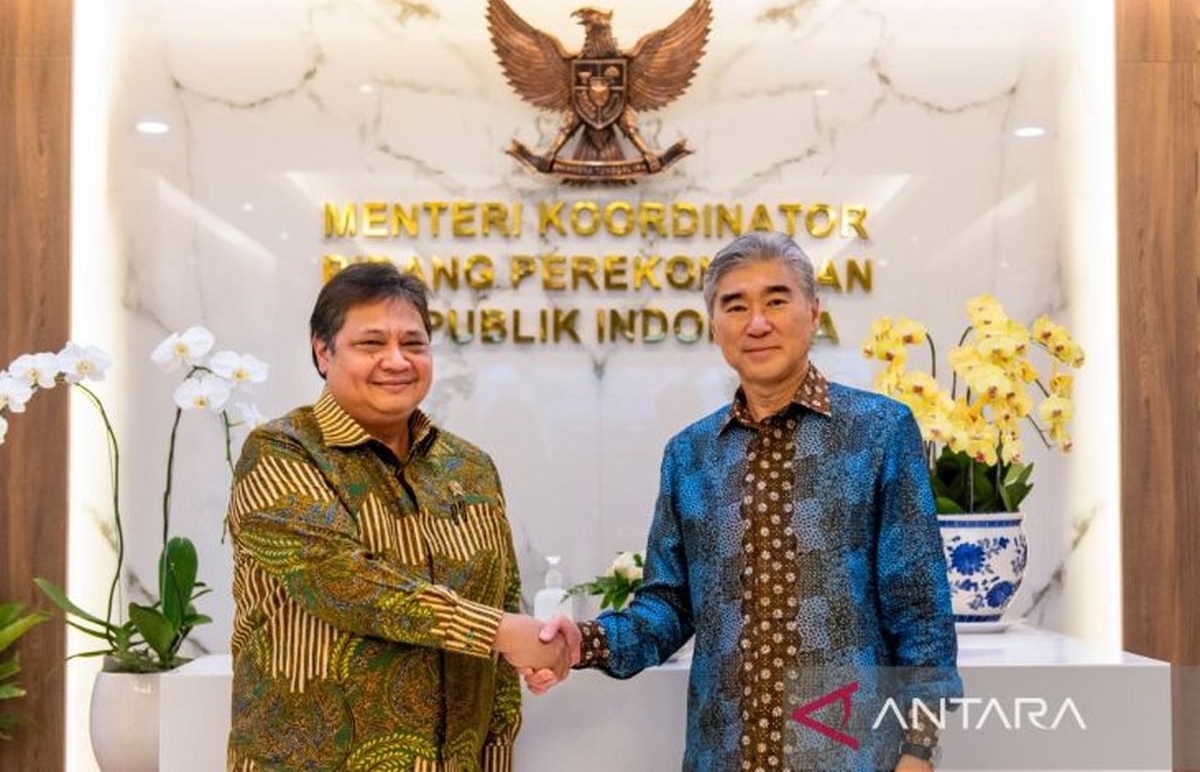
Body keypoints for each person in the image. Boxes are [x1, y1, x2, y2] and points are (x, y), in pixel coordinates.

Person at [527, 232, 962, 772]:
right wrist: (583, 642)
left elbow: (919, 608)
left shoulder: (878, 431)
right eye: (735, 305)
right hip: (723, 754)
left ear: (814, 312)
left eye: (776, 301)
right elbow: (667, 606)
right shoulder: (690, 455)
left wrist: (919, 751)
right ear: (714, 326)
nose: (757, 323)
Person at [227, 263, 567, 771]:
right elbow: (342, 582)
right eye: (371, 343)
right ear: (323, 352)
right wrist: (498, 631)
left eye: (414, 343)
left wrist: (520, 651)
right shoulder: (282, 452)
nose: (396, 361)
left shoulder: (468, 467)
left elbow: (498, 607)